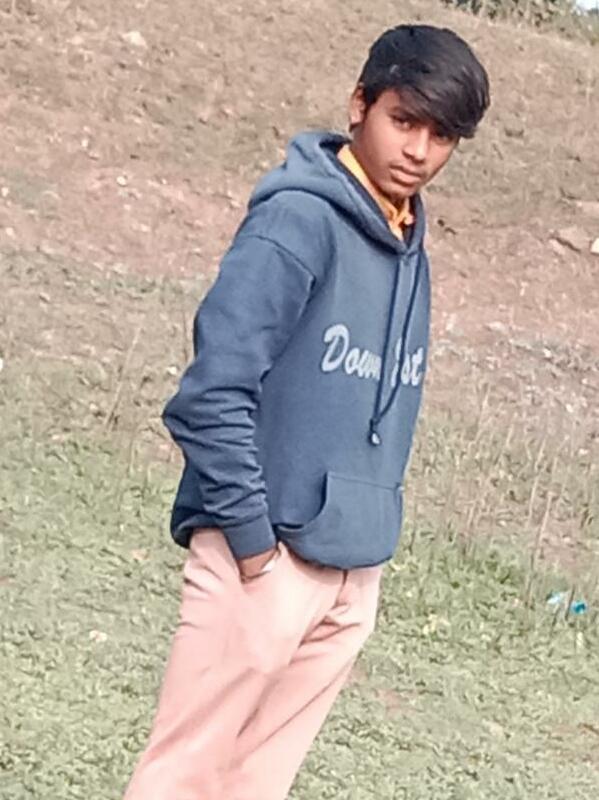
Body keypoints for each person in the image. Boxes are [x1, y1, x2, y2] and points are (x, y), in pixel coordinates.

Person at [123, 23, 490, 800]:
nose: (418, 150)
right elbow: (209, 394)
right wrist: (255, 550)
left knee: (256, 786)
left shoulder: (406, 240)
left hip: (350, 571)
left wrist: (362, 570)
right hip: (261, 561)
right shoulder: (296, 221)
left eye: (441, 136)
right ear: (359, 105)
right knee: (183, 780)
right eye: (403, 120)